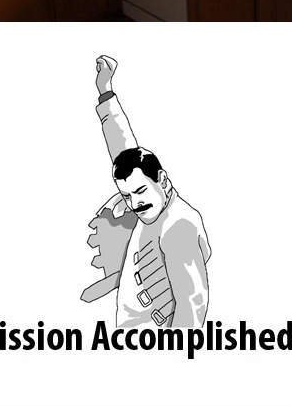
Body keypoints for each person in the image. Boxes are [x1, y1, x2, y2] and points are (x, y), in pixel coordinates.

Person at [83, 56, 211, 331]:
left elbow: (192, 306)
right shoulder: (153, 203)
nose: (135, 203)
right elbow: (123, 149)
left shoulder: (179, 226)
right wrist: (105, 91)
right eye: (127, 196)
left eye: (140, 191)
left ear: (162, 180)